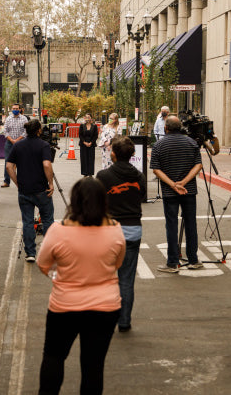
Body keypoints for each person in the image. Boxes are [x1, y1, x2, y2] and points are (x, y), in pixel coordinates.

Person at [36, 177, 125, 394]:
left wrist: (59, 275)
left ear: (74, 201)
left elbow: (43, 264)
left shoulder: (58, 230)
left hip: (65, 305)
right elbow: (117, 264)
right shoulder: (115, 230)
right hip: (105, 306)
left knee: (54, 356)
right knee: (93, 365)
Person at [96, 136, 146, 332]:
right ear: (132, 155)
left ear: (113, 154)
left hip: (109, 231)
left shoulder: (103, 176)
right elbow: (141, 196)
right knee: (126, 279)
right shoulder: (139, 176)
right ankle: (124, 321)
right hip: (133, 230)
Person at [150, 116, 204, 272]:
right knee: (191, 224)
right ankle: (193, 259)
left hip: (169, 192)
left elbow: (156, 169)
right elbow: (198, 165)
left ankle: (172, 262)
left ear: (165, 128)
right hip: (189, 190)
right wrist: (184, 182)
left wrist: (173, 184)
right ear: (180, 127)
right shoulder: (191, 142)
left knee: (171, 225)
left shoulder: (159, 145)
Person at [5, 118, 55, 262]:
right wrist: (51, 183)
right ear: (39, 130)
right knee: (47, 219)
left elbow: (9, 166)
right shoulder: (43, 145)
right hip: (41, 189)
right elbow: (47, 164)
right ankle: (48, 251)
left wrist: (17, 183)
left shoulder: (18, 145)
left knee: (27, 221)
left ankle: (30, 253)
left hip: (24, 189)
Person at [1, 103, 28, 188]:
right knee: (7, 161)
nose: (15, 110)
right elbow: (5, 131)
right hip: (9, 143)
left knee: (22, 161)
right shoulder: (8, 118)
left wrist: (17, 140)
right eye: (13, 108)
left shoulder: (24, 119)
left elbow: (26, 131)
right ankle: (6, 181)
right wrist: (12, 140)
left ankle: (22, 181)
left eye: (16, 108)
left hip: (21, 143)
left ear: (20, 109)